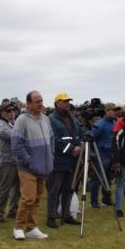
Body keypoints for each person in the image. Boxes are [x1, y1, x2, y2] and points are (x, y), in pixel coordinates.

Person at [11, 91, 54, 240]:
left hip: (43, 166)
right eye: (37, 101)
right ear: (28, 104)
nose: (40, 103)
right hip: (27, 167)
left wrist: (51, 156)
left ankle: (31, 227)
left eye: (41, 100)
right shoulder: (21, 120)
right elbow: (16, 145)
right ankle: (18, 227)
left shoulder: (46, 119)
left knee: (37, 198)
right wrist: (29, 161)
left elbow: (52, 140)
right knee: (28, 198)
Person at [46, 92, 83, 228]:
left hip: (72, 161)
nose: (67, 103)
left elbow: (78, 133)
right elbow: (54, 139)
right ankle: (51, 217)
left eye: (68, 101)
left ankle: (66, 215)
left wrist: (79, 145)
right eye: (64, 101)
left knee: (69, 189)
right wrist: (71, 149)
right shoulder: (50, 119)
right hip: (58, 161)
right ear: (57, 103)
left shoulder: (71, 118)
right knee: (54, 191)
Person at [0, 101, 20, 223]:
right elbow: (12, 136)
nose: (12, 113)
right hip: (7, 161)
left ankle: (13, 211)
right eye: (8, 111)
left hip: (17, 161)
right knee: (5, 189)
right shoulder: (1, 125)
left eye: (13, 110)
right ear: (2, 113)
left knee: (18, 189)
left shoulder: (13, 124)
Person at [90, 104, 120, 208]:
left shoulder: (115, 122)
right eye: (113, 110)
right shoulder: (100, 124)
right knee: (97, 179)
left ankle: (106, 199)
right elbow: (91, 139)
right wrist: (93, 154)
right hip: (101, 154)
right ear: (107, 111)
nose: (115, 112)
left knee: (108, 178)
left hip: (111, 154)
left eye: (116, 110)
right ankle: (94, 201)